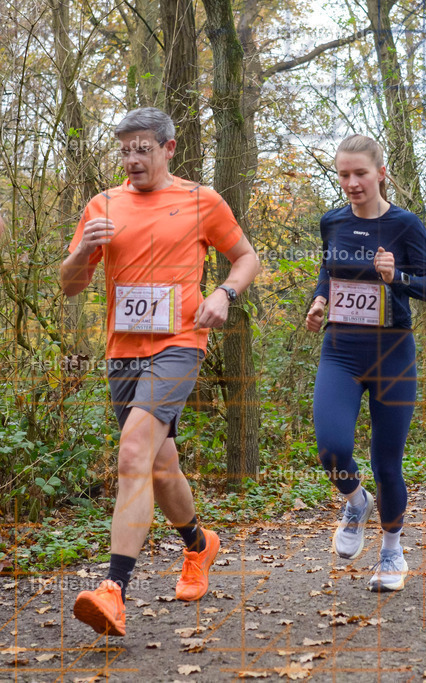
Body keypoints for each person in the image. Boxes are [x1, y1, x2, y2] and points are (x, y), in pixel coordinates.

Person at [61, 108, 259, 636]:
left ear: (169, 149)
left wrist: (225, 292)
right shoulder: (103, 204)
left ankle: (113, 591)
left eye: (142, 148)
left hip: (179, 345)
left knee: (131, 452)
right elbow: (70, 284)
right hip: (122, 353)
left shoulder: (201, 200)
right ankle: (199, 545)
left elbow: (245, 257)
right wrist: (83, 251)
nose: (132, 159)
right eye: (125, 150)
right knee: (158, 466)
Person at [305, 134, 426, 592]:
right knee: (331, 447)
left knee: (388, 462)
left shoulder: (406, 225)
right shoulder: (332, 222)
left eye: (360, 173)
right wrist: (318, 300)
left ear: (381, 174)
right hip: (341, 351)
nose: (351, 183)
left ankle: (392, 552)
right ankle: (354, 499)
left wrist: (397, 277)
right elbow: (328, 271)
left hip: (392, 354)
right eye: (343, 174)